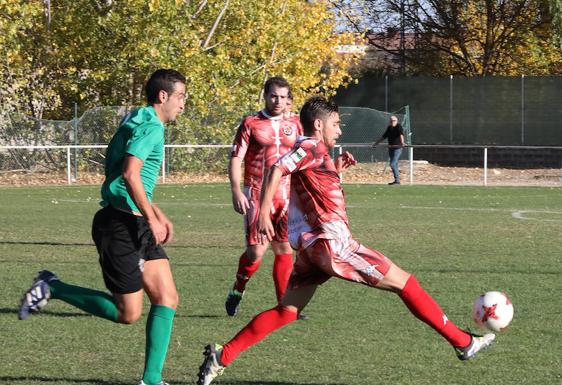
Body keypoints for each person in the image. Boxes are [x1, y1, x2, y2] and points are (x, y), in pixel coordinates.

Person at [197, 96, 495, 385]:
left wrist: (334, 170)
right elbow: (277, 168)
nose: (339, 130)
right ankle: (463, 342)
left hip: (312, 247)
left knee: (286, 311)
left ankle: (221, 356)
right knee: (407, 284)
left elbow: (312, 187)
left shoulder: (314, 152)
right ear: (318, 125)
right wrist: (262, 212)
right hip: (333, 243)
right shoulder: (311, 145)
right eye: (336, 124)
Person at [18, 69, 186, 385]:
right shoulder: (151, 127)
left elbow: (128, 180)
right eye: (180, 97)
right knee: (128, 313)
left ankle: (152, 379)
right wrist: (151, 217)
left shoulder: (138, 119)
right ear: (162, 96)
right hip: (121, 226)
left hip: (134, 219)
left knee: (167, 297)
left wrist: (155, 213)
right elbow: (130, 175)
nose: (183, 104)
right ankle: (53, 286)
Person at [225, 76, 304, 318]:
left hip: (286, 194)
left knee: (283, 249)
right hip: (257, 193)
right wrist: (236, 190)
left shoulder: (297, 123)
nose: (278, 101)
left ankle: (285, 306)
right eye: (273, 96)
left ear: (288, 99)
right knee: (256, 253)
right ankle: (238, 288)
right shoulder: (251, 123)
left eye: (282, 97)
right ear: (265, 96)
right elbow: (236, 157)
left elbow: (305, 156)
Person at [373, 115, 405, 185]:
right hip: (391, 148)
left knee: (392, 164)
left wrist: (402, 143)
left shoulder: (398, 126)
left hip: (397, 148)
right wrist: (376, 143)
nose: (392, 122)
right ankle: (397, 181)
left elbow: (401, 134)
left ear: (397, 121)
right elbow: (384, 136)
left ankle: (397, 180)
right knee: (394, 164)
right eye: (391, 121)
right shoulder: (389, 128)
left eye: (393, 121)